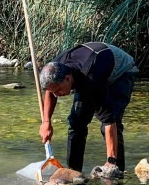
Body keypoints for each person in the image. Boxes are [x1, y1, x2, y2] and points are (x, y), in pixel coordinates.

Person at [38, 42, 138, 174]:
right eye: (54, 92)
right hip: (92, 67)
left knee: (112, 120)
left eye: (58, 90)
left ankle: (116, 170)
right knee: (76, 122)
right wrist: (46, 122)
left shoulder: (91, 80)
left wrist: (110, 161)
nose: (57, 95)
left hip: (121, 73)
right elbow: (50, 92)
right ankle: (73, 172)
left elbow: (109, 122)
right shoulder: (56, 67)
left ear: (67, 79)